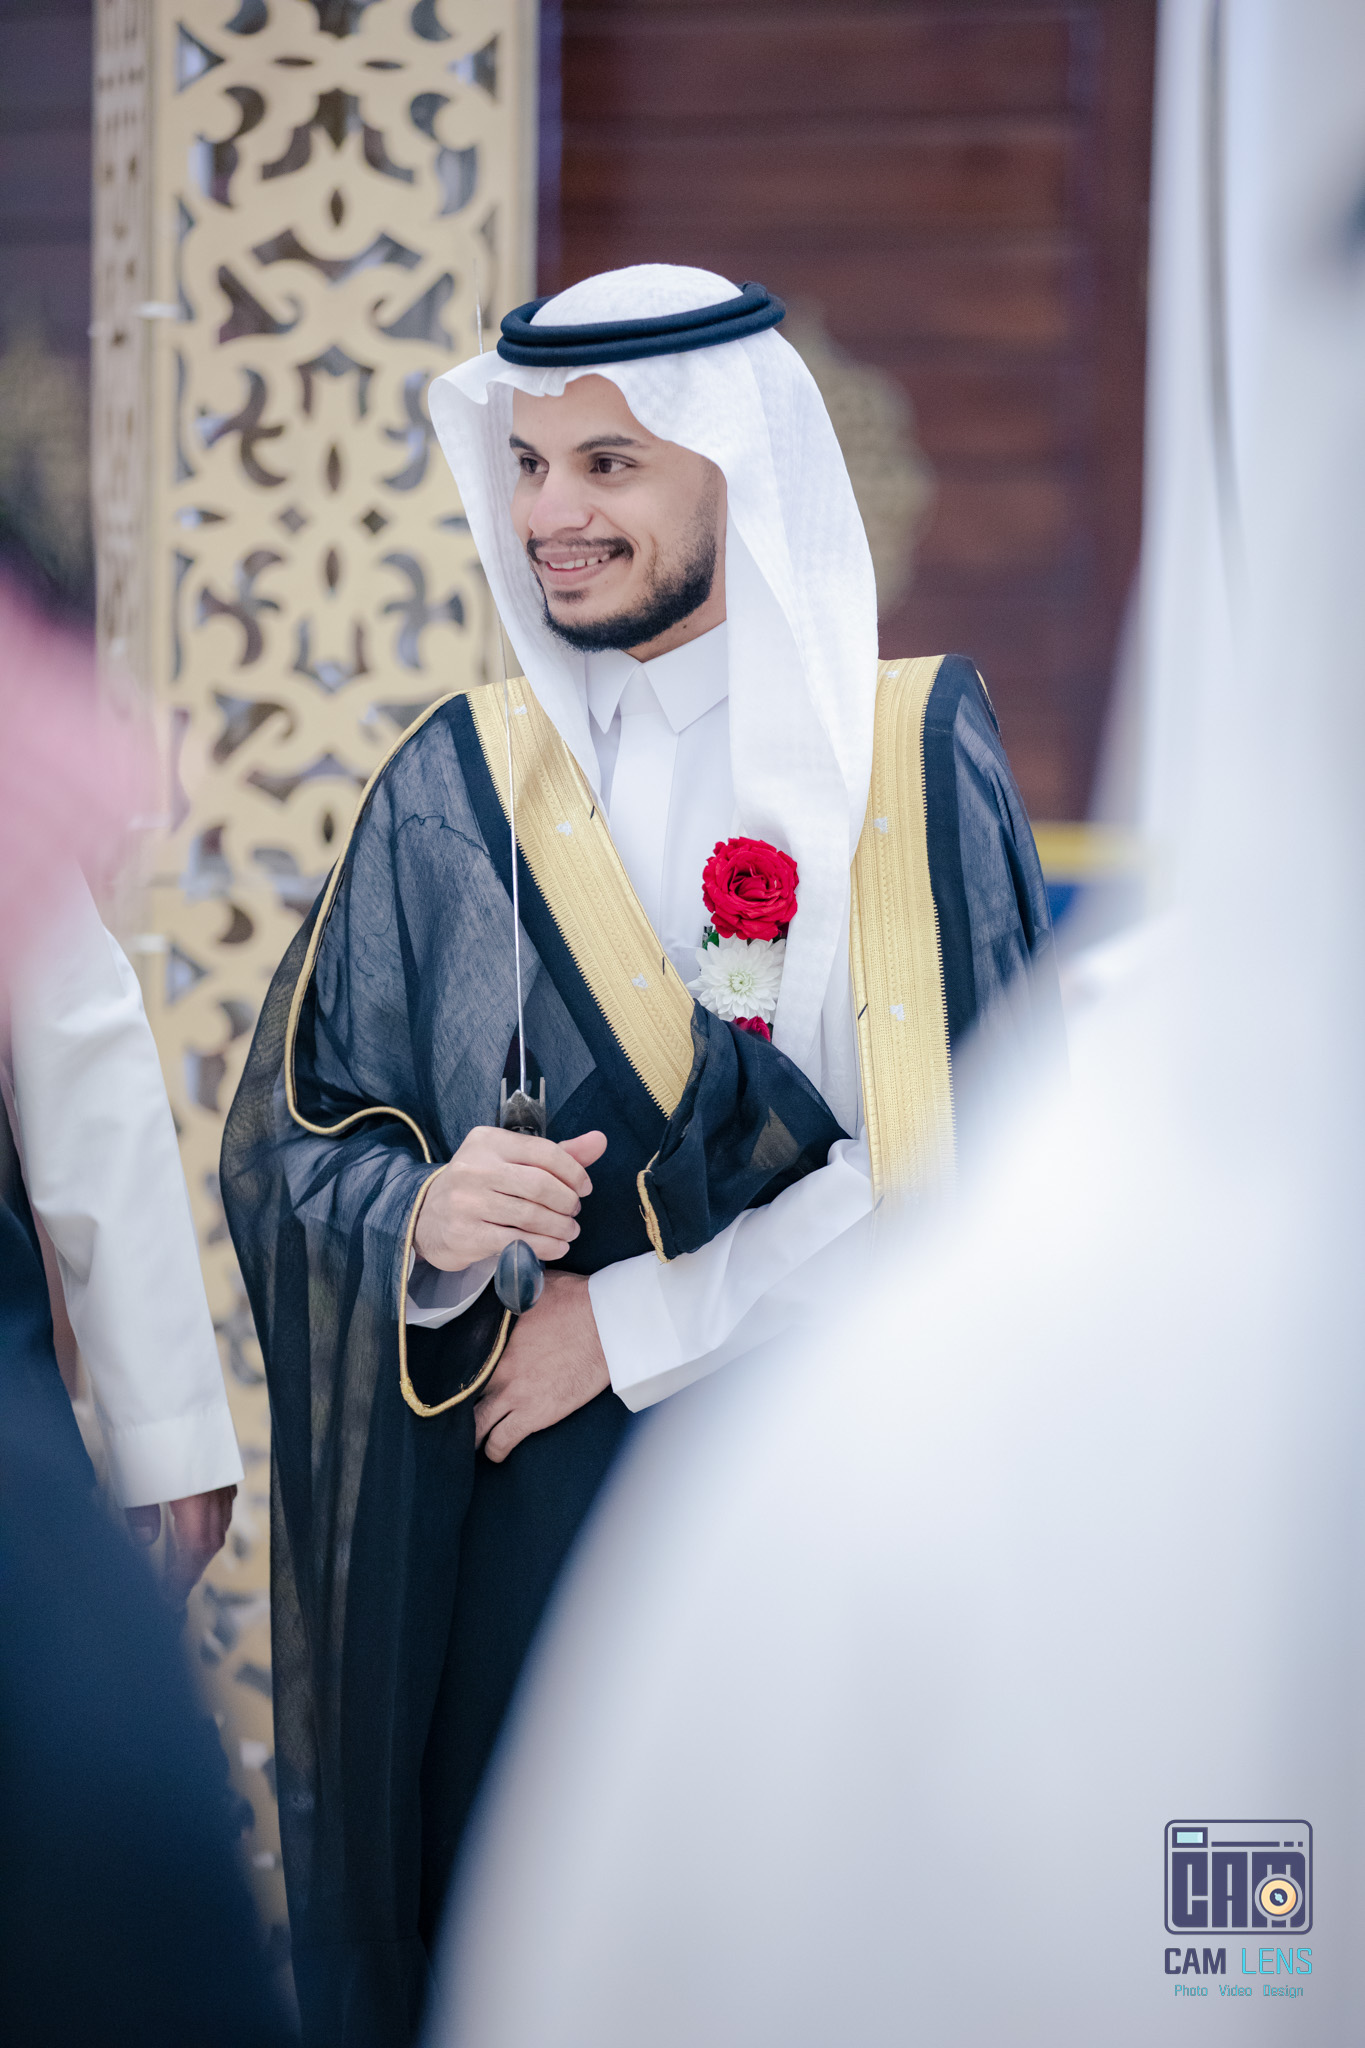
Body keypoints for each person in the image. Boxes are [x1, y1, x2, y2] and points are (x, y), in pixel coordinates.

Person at [221, 265, 1057, 2047]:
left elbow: (972, 1164)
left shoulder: (907, 755)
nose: (552, 515)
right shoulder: (456, 787)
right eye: (528, 467)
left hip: (822, 1503)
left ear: (734, 470)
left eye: (609, 466)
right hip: (527, 1524)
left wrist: (633, 1324)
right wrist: (430, 1226)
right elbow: (296, 1146)